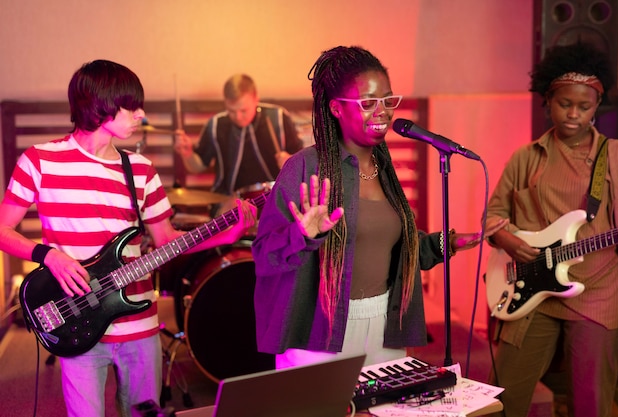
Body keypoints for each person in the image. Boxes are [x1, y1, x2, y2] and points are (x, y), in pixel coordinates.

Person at [0, 60, 256, 417]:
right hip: (76, 319)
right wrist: (49, 256)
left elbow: (167, 240)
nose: (141, 114)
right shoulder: (39, 161)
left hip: (139, 322)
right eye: (132, 106)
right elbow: (3, 230)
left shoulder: (141, 170)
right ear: (101, 106)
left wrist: (226, 234)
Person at [251, 45, 507, 369]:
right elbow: (264, 256)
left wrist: (450, 242)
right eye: (368, 103)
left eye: (388, 100)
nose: (382, 111)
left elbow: (394, 249)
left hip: (384, 324)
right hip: (321, 332)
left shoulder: (384, 168)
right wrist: (302, 235)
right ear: (335, 109)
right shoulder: (305, 168)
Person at [485, 42, 618, 417]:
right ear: (548, 101)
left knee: (590, 405)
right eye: (565, 104)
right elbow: (493, 216)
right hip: (532, 290)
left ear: (597, 106)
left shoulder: (617, 156)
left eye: (585, 106)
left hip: (597, 293)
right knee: (503, 397)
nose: (574, 115)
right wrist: (509, 241)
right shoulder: (526, 157)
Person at [174, 73, 304, 197]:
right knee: (229, 212)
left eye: (243, 110)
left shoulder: (278, 118)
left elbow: (304, 162)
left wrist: (290, 161)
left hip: (276, 196)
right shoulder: (216, 125)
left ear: (256, 99)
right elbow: (198, 166)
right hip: (228, 199)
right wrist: (188, 154)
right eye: (231, 111)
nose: (238, 117)